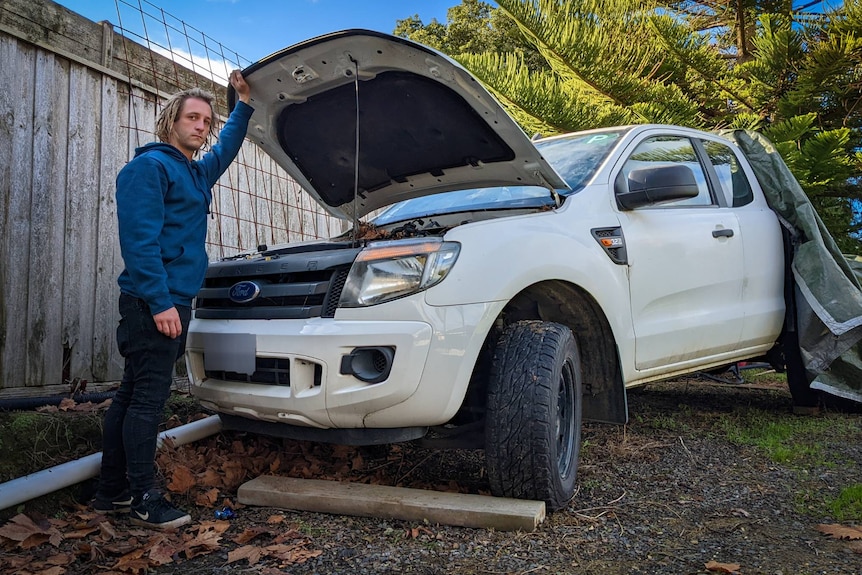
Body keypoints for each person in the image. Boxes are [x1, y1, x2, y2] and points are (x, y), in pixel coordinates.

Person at [91, 70, 254, 530]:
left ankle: (112, 492)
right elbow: (139, 243)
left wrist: (242, 104)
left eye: (207, 120)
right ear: (171, 122)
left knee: (131, 395)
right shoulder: (149, 168)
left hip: (171, 299)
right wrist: (161, 303)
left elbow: (227, 148)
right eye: (193, 118)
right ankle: (144, 498)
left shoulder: (195, 172)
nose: (202, 126)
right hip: (152, 302)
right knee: (147, 400)